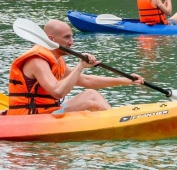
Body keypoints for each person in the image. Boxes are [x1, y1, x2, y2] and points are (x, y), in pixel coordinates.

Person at [7, 20, 143, 115]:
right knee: (90, 105)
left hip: (49, 110)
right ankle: (115, 122)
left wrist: (125, 80)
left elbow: (86, 81)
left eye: (72, 37)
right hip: (33, 116)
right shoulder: (37, 61)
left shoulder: (57, 60)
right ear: (51, 39)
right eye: (67, 37)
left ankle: (114, 119)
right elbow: (57, 92)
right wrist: (80, 66)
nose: (72, 42)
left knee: (91, 94)